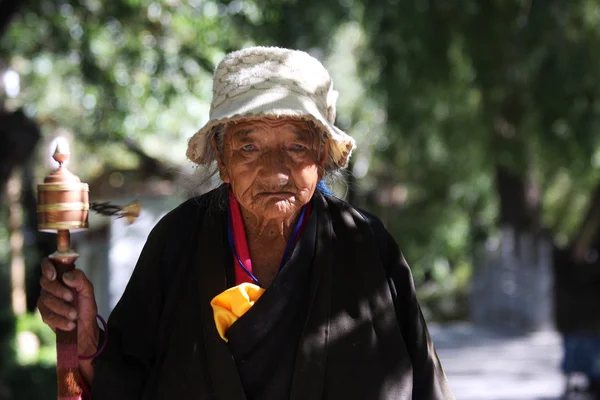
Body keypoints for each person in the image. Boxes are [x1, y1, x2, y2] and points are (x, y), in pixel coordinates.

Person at [37, 46, 454, 400]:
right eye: (249, 146)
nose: (275, 172)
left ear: (322, 156)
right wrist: (84, 334)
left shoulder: (365, 245)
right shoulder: (179, 240)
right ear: (222, 160)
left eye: (296, 145)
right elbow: (122, 382)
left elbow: (422, 382)